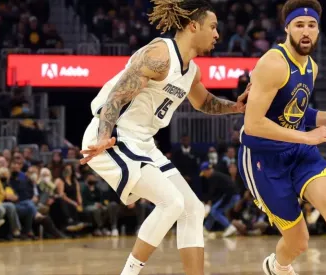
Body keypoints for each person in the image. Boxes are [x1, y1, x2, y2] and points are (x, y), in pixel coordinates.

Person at [79, 0, 248, 274]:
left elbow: (203, 102)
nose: (218, 34)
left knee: (192, 208)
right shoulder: (160, 55)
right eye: (213, 27)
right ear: (194, 26)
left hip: (142, 143)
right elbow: (116, 96)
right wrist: (104, 136)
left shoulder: (191, 70)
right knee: (172, 202)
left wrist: (236, 107)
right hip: (113, 137)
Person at [238, 0, 326, 274]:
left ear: (318, 31)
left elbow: (300, 113)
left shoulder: (312, 68)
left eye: (311, 25)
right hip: (264, 157)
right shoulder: (273, 63)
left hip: (297, 151)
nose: (306, 31)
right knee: (298, 242)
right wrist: (308, 138)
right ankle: (277, 266)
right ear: (287, 29)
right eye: (299, 25)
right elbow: (253, 125)